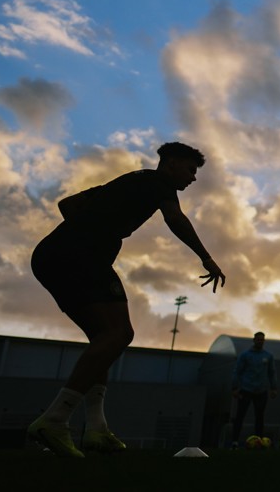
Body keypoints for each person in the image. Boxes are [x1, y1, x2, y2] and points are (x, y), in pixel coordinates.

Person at [28, 141, 225, 457]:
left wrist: (93, 227)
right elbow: (175, 219)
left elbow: (68, 204)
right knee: (119, 334)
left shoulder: (127, 182)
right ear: (171, 164)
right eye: (190, 169)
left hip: (49, 256)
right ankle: (54, 419)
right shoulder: (158, 183)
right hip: (80, 256)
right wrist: (206, 258)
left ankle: (95, 429)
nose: (193, 178)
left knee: (104, 339)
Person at [230, 331, 278, 448]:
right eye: (258, 339)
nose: (260, 341)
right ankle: (235, 442)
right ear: (254, 340)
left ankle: (258, 441)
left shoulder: (268, 356)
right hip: (246, 390)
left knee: (260, 417)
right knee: (240, 416)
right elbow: (237, 371)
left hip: (261, 391)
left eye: (262, 340)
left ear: (264, 341)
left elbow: (271, 373)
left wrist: (273, 388)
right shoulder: (245, 355)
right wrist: (235, 388)